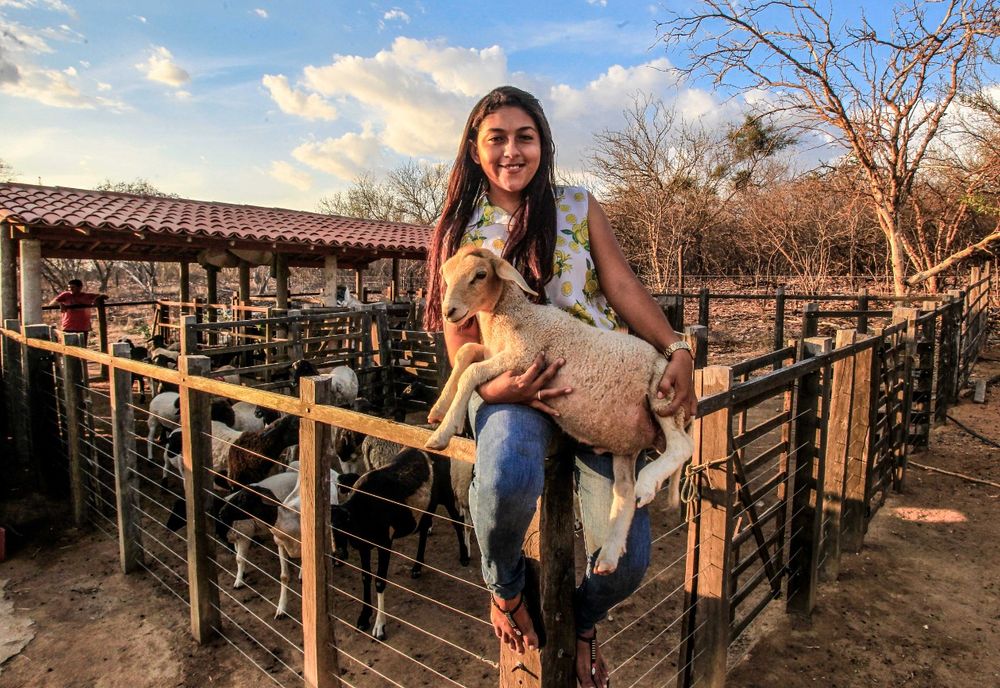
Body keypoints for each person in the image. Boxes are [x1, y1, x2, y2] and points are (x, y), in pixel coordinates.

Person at [424, 86, 697, 687]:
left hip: (600, 382)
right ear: (474, 149)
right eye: (496, 137)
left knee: (630, 563)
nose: (512, 150)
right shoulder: (459, 232)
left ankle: (577, 620)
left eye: (526, 137)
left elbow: (622, 290)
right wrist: (492, 393)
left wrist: (677, 348)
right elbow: (460, 332)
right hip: (513, 384)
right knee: (504, 475)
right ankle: (508, 592)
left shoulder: (576, 206)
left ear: (543, 146)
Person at [47, 279, 106, 346]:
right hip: (68, 326)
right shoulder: (66, 295)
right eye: (69, 287)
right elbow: (51, 304)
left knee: (82, 347)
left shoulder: (86, 296)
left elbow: (103, 296)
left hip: (83, 327)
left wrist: (98, 300)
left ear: (80, 287)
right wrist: (61, 303)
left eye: (73, 287)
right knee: (69, 348)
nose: (70, 289)